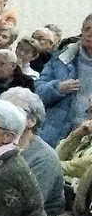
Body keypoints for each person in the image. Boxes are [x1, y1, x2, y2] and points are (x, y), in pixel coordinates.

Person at [0, 87, 65, 216]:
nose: (5, 119)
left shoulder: (44, 159)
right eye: (1, 112)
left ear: (32, 121)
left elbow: (26, 206)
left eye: (14, 112)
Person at [35, 13, 92, 147]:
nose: (90, 34)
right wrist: (58, 88)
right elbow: (38, 92)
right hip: (54, 137)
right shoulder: (61, 59)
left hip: (87, 141)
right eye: (87, 29)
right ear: (81, 31)